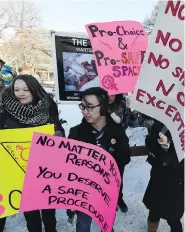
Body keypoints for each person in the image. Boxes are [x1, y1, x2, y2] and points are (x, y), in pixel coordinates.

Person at [0, 74, 65, 232]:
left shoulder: (48, 105)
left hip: (45, 168)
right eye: (16, 89)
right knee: (30, 211)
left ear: (34, 90)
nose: (20, 93)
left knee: (49, 208)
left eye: (25, 90)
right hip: (19, 171)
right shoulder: (5, 110)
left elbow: (58, 127)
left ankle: (51, 229)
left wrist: (58, 133)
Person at [68, 87, 131, 232]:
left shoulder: (117, 131)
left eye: (90, 107)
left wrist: (107, 158)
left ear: (103, 108)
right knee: (83, 225)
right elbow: (69, 166)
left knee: (107, 224)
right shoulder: (76, 132)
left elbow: (125, 158)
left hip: (107, 190)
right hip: (84, 192)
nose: (85, 111)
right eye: (83, 106)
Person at [143, 120, 184, 232]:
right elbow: (149, 140)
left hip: (176, 177)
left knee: (174, 215)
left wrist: (170, 156)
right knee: (154, 208)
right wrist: (158, 144)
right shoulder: (160, 122)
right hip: (158, 173)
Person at [108, 94, 128, 212]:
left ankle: (119, 199)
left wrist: (119, 123)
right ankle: (107, 200)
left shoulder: (122, 104)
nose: (110, 95)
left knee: (118, 177)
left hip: (120, 147)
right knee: (105, 177)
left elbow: (129, 123)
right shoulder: (99, 104)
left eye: (113, 93)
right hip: (104, 146)